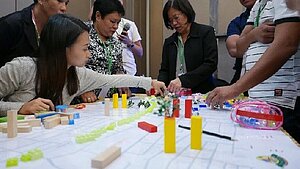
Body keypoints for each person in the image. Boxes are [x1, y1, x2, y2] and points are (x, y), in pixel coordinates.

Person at [0, 14, 166, 117]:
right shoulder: (21, 68)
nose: (90, 54)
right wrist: (21, 107)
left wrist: (150, 83)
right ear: (64, 48)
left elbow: (111, 80)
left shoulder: (78, 75)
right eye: (85, 48)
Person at [206, 0, 299, 142]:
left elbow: (286, 43)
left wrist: (235, 88)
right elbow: (239, 47)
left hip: (283, 100)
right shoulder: (259, 5)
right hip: (259, 97)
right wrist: (255, 34)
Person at [158, 0, 218, 94]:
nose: (174, 23)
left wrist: (183, 80)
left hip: (202, 93)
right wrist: (160, 84)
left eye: (176, 18)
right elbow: (164, 70)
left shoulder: (205, 33)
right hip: (175, 95)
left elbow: (210, 64)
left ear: (186, 12)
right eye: (170, 20)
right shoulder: (169, 42)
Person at [78, 0, 128, 103]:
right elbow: (70, 67)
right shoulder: (81, 33)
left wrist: (123, 83)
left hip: (109, 101)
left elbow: (118, 69)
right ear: (98, 16)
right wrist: (81, 88)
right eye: (112, 21)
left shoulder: (116, 43)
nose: (116, 27)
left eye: (118, 22)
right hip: (84, 102)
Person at [0, 0, 69, 67]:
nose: (64, 8)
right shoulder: (11, 24)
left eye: (66, 3)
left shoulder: (58, 29)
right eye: (59, 1)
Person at [226, 0, 256, 84]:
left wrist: (244, 41)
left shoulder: (276, 15)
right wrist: (255, 34)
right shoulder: (237, 22)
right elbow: (234, 49)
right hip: (242, 75)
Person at [114, 0, 143, 76]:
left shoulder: (130, 24)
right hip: (112, 76)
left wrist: (129, 42)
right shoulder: (105, 25)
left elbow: (140, 52)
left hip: (130, 72)